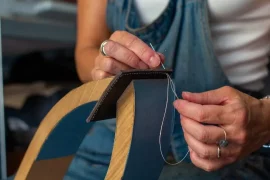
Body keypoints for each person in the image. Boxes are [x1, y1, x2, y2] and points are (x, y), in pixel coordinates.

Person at [66, 0, 270, 179]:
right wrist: (104, 63)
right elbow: (87, 49)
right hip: (115, 138)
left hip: (229, 141)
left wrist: (264, 116)